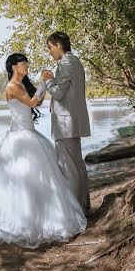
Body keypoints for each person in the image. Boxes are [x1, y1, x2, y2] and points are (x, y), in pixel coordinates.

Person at [0, 52, 87, 247]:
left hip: (30, 134)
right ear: (14, 66)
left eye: (27, 62)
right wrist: (45, 83)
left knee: (42, 181)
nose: (27, 65)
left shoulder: (21, 85)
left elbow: (36, 102)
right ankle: (19, 224)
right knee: (22, 181)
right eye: (24, 63)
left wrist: (42, 87)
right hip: (20, 136)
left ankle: (42, 219)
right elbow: (32, 102)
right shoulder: (12, 86)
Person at [40, 31, 92, 214]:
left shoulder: (66, 63)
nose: (49, 52)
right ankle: (84, 206)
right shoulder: (73, 61)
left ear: (57, 45)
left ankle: (74, 210)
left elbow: (58, 93)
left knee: (69, 168)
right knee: (77, 164)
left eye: (50, 47)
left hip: (66, 123)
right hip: (70, 122)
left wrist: (48, 81)